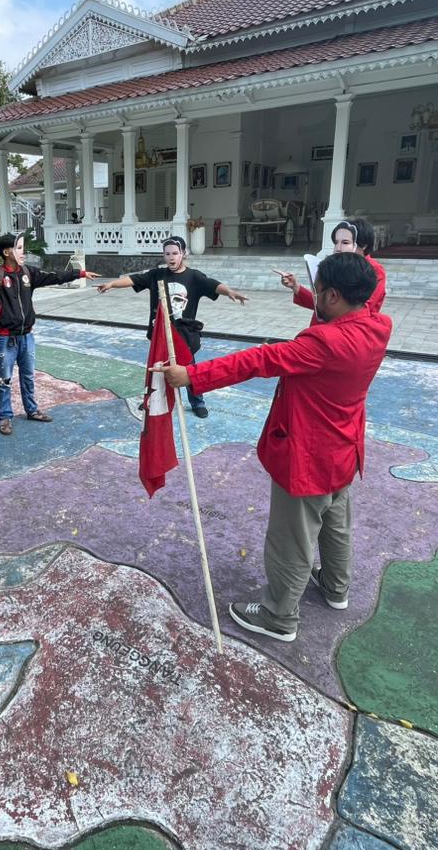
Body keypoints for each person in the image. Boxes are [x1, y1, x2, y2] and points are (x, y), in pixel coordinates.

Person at [155, 253, 391, 642]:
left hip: (308, 456)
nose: (312, 296)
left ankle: (279, 615)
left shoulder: (324, 341)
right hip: (344, 449)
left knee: (292, 540)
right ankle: (335, 588)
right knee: (336, 524)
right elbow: (368, 285)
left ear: (333, 295)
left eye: (317, 290)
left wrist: (191, 375)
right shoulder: (379, 324)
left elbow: (260, 360)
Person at [0, 232, 99, 435]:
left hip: (27, 336)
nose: (24, 252)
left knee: (28, 376)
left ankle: (32, 410)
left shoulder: (28, 273)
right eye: (20, 248)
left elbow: (54, 276)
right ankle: (5, 417)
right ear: (7, 252)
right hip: (5, 338)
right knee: (4, 379)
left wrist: (80, 274)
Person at [97, 235, 248, 418]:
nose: (171, 257)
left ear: (183, 254)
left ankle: (197, 401)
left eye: (175, 253)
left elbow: (213, 285)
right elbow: (133, 280)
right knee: (156, 370)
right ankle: (151, 400)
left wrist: (229, 292)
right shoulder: (156, 275)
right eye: (167, 253)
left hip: (184, 335)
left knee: (189, 370)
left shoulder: (194, 277)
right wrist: (112, 283)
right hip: (160, 334)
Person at [275, 219, 387, 318]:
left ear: (364, 245)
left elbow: (361, 311)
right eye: (336, 242)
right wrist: (296, 287)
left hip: (345, 333)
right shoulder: (337, 266)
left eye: (345, 242)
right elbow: (324, 303)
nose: (338, 248)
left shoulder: (373, 271)